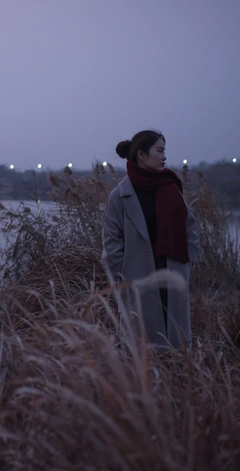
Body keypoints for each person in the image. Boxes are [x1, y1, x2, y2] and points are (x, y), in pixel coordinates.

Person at [102, 130, 199, 348]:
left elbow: (190, 228)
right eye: (159, 151)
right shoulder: (119, 196)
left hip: (172, 273)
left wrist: (188, 262)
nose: (164, 156)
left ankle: (176, 369)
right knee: (142, 346)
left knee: (175, 342)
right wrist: (123, 274)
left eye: (164, 151)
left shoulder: (171, 187)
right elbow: (111, 241)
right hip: (137, 279)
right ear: (141, 154)